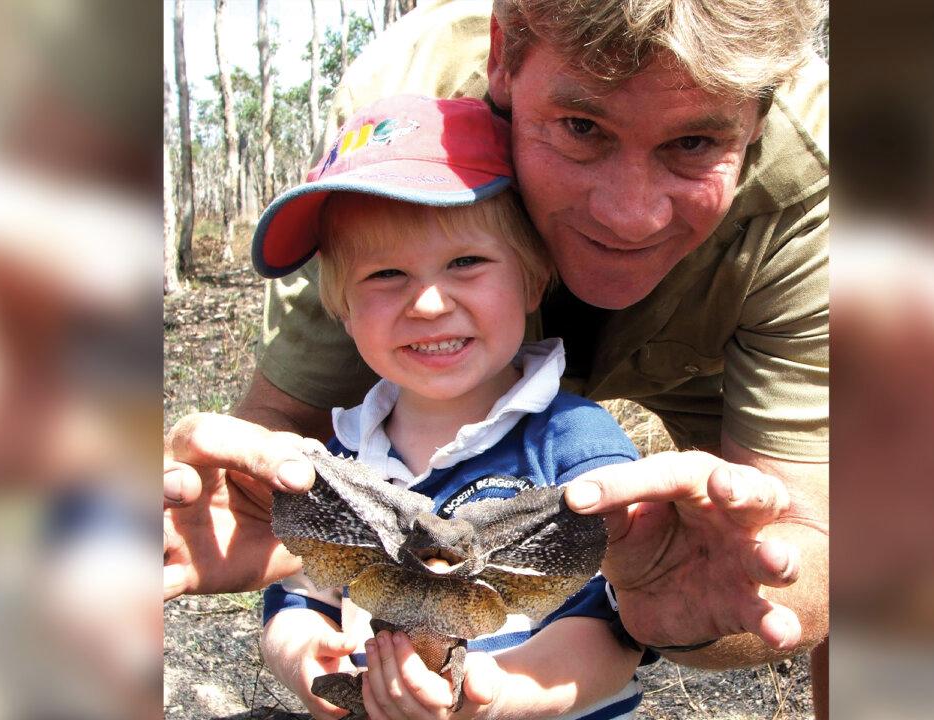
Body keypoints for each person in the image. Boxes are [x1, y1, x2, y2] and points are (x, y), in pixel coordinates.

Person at [164, 0, 828, 688]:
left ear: (759, 113)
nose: (631, 215)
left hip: (715, 332)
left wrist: (682, 611)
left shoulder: (823, 167)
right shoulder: (401, 104)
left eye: (692, 144)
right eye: (581, 126)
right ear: (503, 55)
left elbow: (817, 535)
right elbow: (277, 436)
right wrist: (251, 503)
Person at [255, 94, 645, 719]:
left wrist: (490, 699)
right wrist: (307, 659)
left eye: (466, 262)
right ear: (342, 311)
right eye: (385, 275)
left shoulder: (574, 443)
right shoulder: (335, 460)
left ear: (531, 277)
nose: (430, 304)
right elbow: (298, 597)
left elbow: (616, 629)